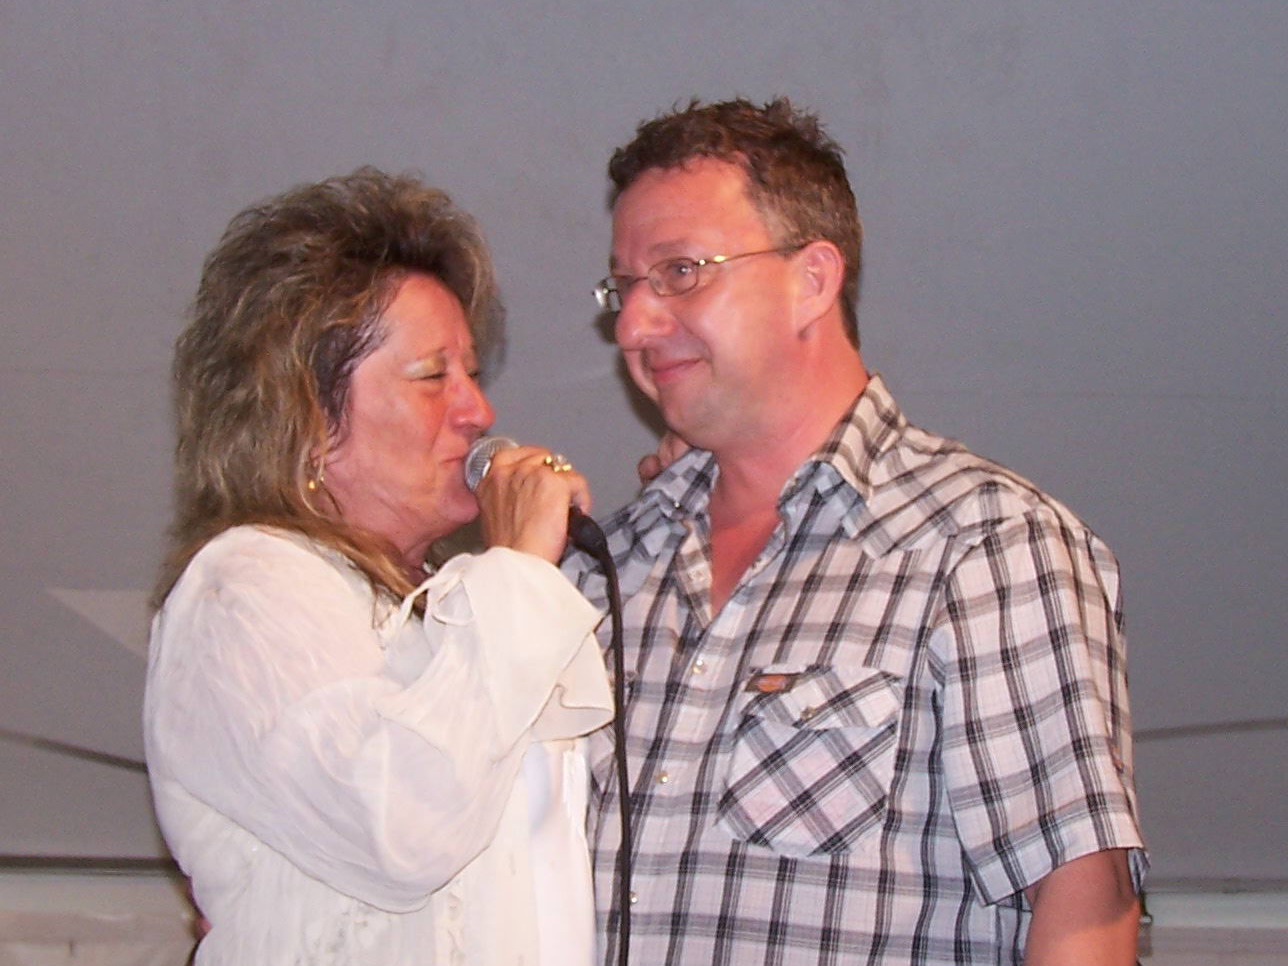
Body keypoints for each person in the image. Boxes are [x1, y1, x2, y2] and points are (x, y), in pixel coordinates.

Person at [570, 98, 1147, 965]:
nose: (632, 326)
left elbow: (1084, 913)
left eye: (681, 272)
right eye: (625, 288)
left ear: (812, 279)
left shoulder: (986, 547)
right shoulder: (597, 572)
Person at [144, 168, 612, 965]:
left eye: (472, 374)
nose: (478, 412)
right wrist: (519, 572)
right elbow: (401, 828)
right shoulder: (242, 590)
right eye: (433, 377)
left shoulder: (452, 614)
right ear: (309, 420)